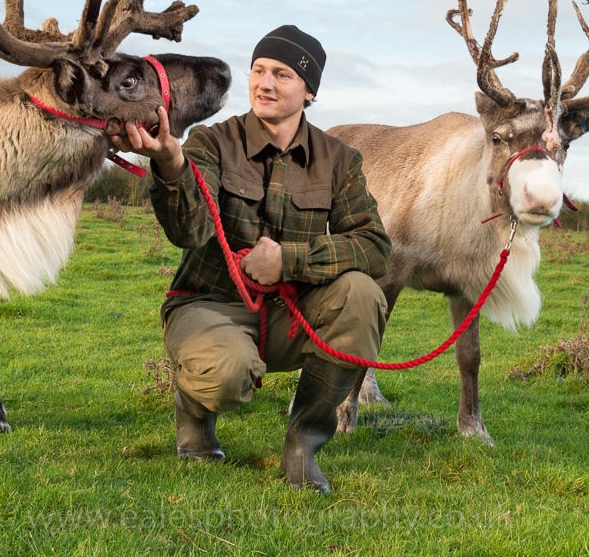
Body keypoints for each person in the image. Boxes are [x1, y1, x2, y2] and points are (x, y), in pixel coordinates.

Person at [110, 24, 391, 493]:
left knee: (362, 295)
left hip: (289, 314)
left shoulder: (340, 159)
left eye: (282, 74)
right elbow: (190, 229)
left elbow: (374, 247)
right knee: (224, 375)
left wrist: (290, 262)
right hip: (208, 305)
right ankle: (193, 408)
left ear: (310, 90)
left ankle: (303, 444)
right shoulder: (211, 142)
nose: (264, 83)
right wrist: (170, 165)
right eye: (258, 70)